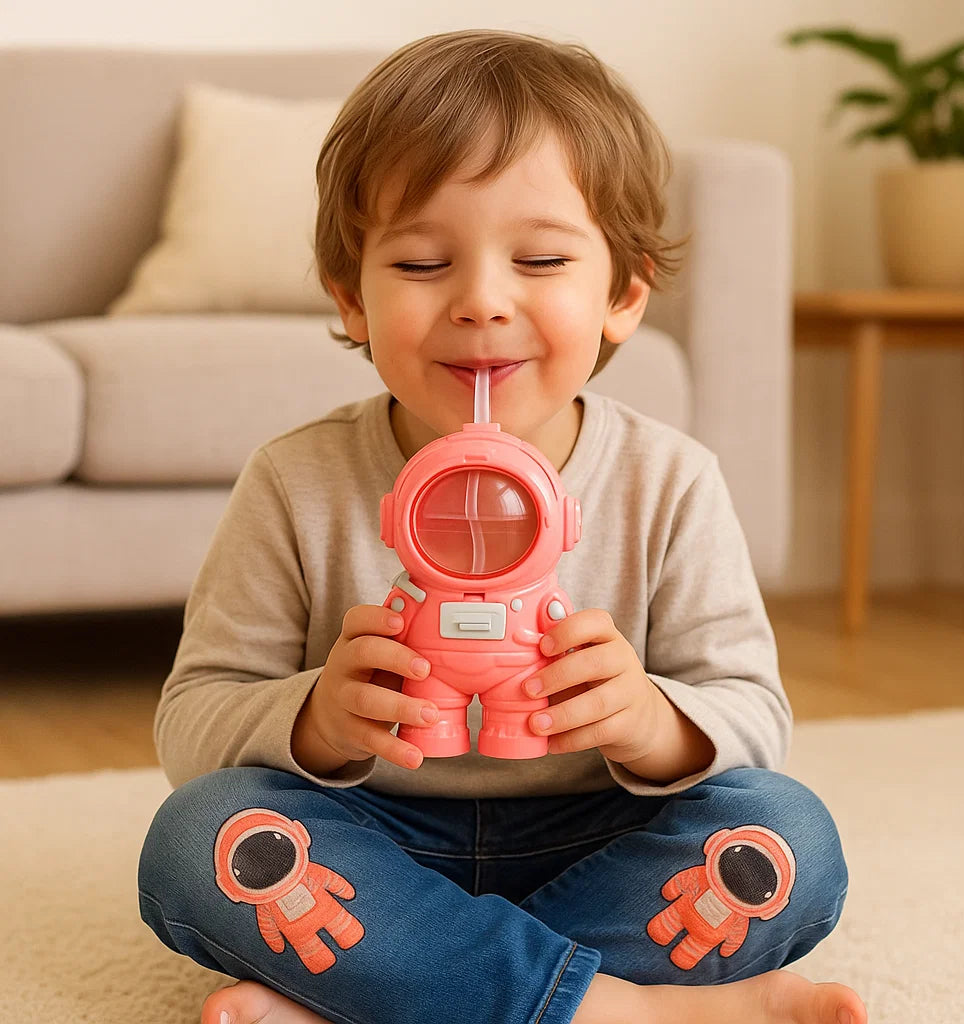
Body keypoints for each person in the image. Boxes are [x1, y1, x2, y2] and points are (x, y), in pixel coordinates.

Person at [137, 28, 867, 1024]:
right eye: (425, 261)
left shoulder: (669, 481)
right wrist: (315, 717)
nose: (482, 302)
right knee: (198, 838)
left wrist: (652, 722)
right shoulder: (293, 480)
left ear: (622, 295)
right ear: (352, 297)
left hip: (599, 838)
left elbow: (753, 713)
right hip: (374, 836)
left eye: (539, 258)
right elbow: (192, 718)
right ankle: (631, 1011)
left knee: (784, 838)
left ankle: (386, 986)